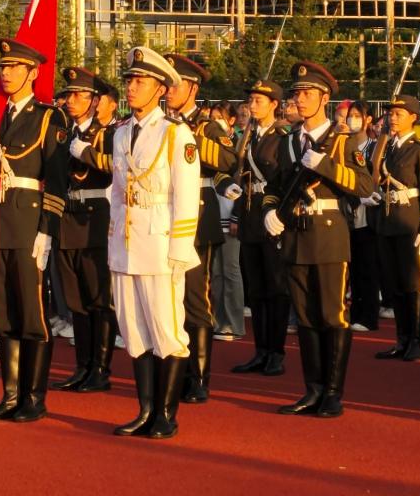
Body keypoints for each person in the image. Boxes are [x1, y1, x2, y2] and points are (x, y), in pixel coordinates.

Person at [262, 61, 374, 418]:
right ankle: (311, 390)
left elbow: (365, 185)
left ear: (325, 98)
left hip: (328, 235)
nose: (300, 99)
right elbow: (276, 185)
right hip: (295, 235)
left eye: (308, 93)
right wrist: (269, 210)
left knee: (332, 315)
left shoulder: (342, 141)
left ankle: (333, 392)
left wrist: (324, 165)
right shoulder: (288, 141)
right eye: (297, 93)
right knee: (305, 317)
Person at [109, 47, 200, 439]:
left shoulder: (176, 134)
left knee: (167, 331)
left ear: (161, 89)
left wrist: (180, 248)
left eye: (140, 81)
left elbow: (187, 194)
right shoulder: (120, 133)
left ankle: (166, 413)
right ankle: (145, 410)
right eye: (129, 80)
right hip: (126, 245)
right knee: (134, 332)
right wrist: (113, 240)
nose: (132, 87)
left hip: (161, 245)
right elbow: (117, 193)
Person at [0, 38, 69, 424]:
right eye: (2, 67)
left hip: (29, 225)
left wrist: (47, 230)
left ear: (32, 73)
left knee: (32, 313)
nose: (5, 73)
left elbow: (58, 180)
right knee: (3, 313)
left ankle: (34, 397)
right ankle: (10, 394)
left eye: (13, 67)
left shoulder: (48, 117)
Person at [163, 53, 238, 403]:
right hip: (163, 218)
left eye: (175, 84)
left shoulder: (206, 127)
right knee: (168, 301)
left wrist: (190, 137)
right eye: (166, 84)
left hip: (197, 219)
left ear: (192, 89)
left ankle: (198, 376)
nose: (168, 90)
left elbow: (228, 160)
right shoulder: (160, 124)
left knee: (195, 299)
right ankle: (174, 370)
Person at [52, 67, 116, 394]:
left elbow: (118, 169)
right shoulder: (63, 133)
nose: (71, 100)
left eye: (79, 95)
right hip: (66, 218)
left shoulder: (108, 134)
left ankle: (100, 369)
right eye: (69, 94)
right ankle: (82, 366)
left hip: (94, 219)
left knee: (98, 298)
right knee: (75, 299)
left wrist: (87, 154)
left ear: (94, 100)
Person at [368, 95, 420, 362]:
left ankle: (416, 342)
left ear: (413, 117)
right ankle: (401, 339)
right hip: (388, 223)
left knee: (414, 283)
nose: (392, 117)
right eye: (390, 113)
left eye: (399, 113)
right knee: (394, 284)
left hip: (410, 225)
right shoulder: (387, 147)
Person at [232, 79, 289, 376]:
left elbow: (286, 179)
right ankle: (260, 350)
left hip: (272, 217)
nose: (252, 106)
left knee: (276, 288)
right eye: (251, 100)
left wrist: (279, 215)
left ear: (274, 105)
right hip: (250, 215)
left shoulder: (282, 136)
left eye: (258, 101)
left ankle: (276, 352)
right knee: (256, 290)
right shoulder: (249, 135)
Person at [345, 101, 381, 332]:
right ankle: (355, 312)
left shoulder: (375, 147)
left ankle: (368, 316)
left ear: (368, 120)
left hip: (368, 216)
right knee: (352, 268)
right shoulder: (343, 144)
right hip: (347, 212)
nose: (352, 119)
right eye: (350, 115)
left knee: (367, 267)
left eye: (357, 115)